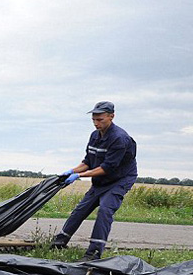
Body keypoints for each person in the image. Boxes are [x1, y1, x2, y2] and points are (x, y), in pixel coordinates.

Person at [50, 101, 138, 260]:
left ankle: (94, 253)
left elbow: (107, 168)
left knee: (105, 209)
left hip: (119, 180)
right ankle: (59, 242)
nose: (96, 123)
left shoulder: (119, 138)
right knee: (81, 209)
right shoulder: (94, 136)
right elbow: (88, 162)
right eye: (94, 120)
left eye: (100, 120)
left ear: (111, 117)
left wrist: (79, 176)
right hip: (101, 179)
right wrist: (72, 170)